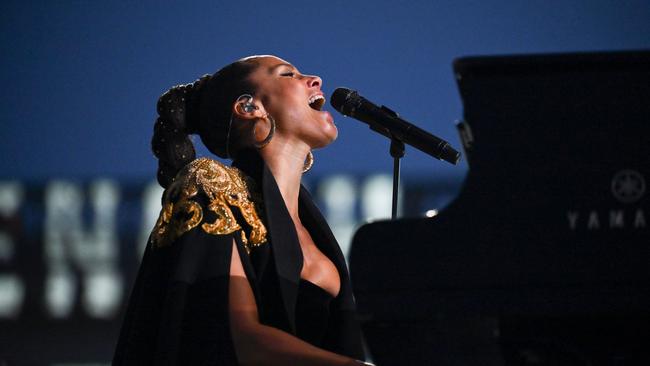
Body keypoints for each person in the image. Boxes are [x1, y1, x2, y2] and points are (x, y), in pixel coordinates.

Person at [113, 55, 373, 365]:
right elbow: (238, 340)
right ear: (249, 107)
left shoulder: (313, 225)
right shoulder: (210, 184)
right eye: (288, 74)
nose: (315, 79)